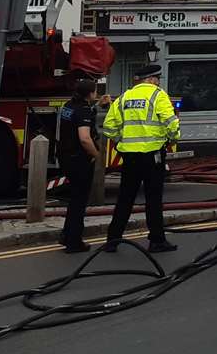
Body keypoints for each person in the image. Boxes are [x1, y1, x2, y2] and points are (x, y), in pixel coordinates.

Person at [100, 63, 180, 253]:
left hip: (129, 156)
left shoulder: (124, 96)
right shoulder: (158, 95)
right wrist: (172, 137)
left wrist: (122, 142)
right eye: (157, 79)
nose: (158, 82)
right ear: (152, 79)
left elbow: (109, 126)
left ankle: (113, 240)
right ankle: (157, 240)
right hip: (153, 155)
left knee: (125, 198)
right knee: (153, 199)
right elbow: (171, 122)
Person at [57, 77, 101, 253]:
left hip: (66, 156)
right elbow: (84, 138)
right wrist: (96, 155)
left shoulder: (68, 105)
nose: (97, 93)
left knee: (74, 199)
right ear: (90, 93)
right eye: (96, 91)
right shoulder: (83, 110)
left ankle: (67, 235)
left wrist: (98, 106)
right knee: (79, 201)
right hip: (79, 159)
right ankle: (74, 241)